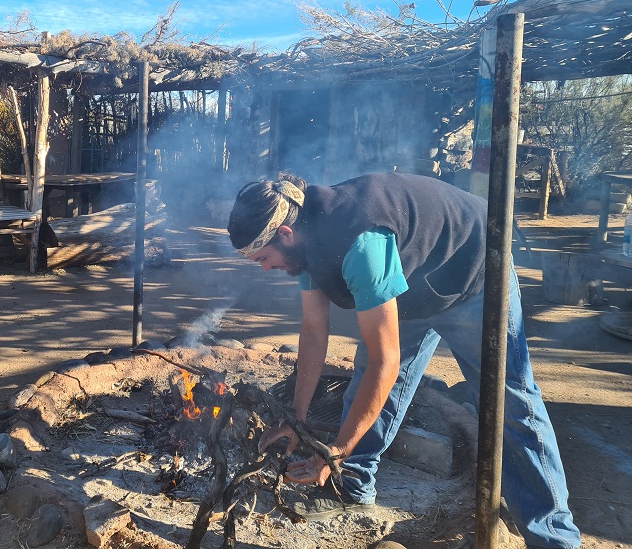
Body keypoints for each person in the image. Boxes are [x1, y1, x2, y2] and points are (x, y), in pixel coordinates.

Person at [227, 172, 581, 549]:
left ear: (284, 233)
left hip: (475, 269)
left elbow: (387, 362)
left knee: (510, 404)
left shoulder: (359, 241)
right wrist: (296, 418)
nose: (264, 268)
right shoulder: (304, 244)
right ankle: (353, 486)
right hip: (412, 284)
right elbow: (314, 331)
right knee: (371, 380)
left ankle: (554, 537)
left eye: (263, 258)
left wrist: (337, 449)